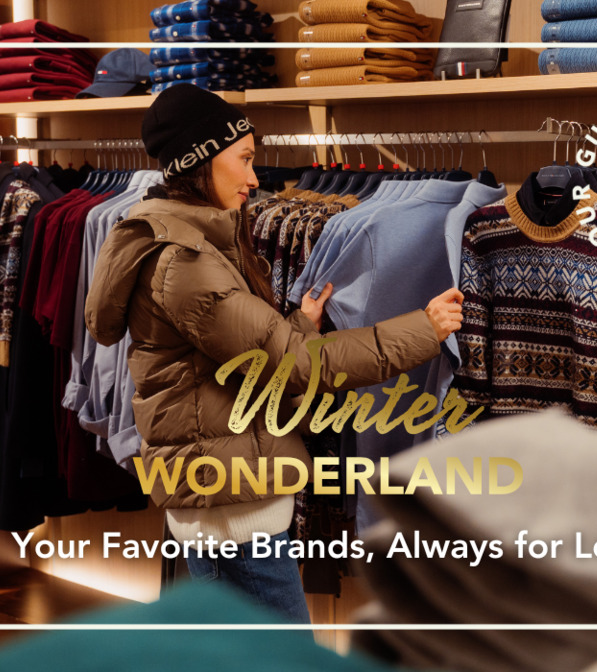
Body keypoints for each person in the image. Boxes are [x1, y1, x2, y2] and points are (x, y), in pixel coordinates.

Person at [84, 84, 464, 624]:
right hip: (232, 517)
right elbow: (297, 365)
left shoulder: (194, 243)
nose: (254, 178)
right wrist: (424, 329)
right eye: (243, 159)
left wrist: (299, 323)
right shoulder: (184, 262)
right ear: (199, 161)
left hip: (226, 499)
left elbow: (234, 356)